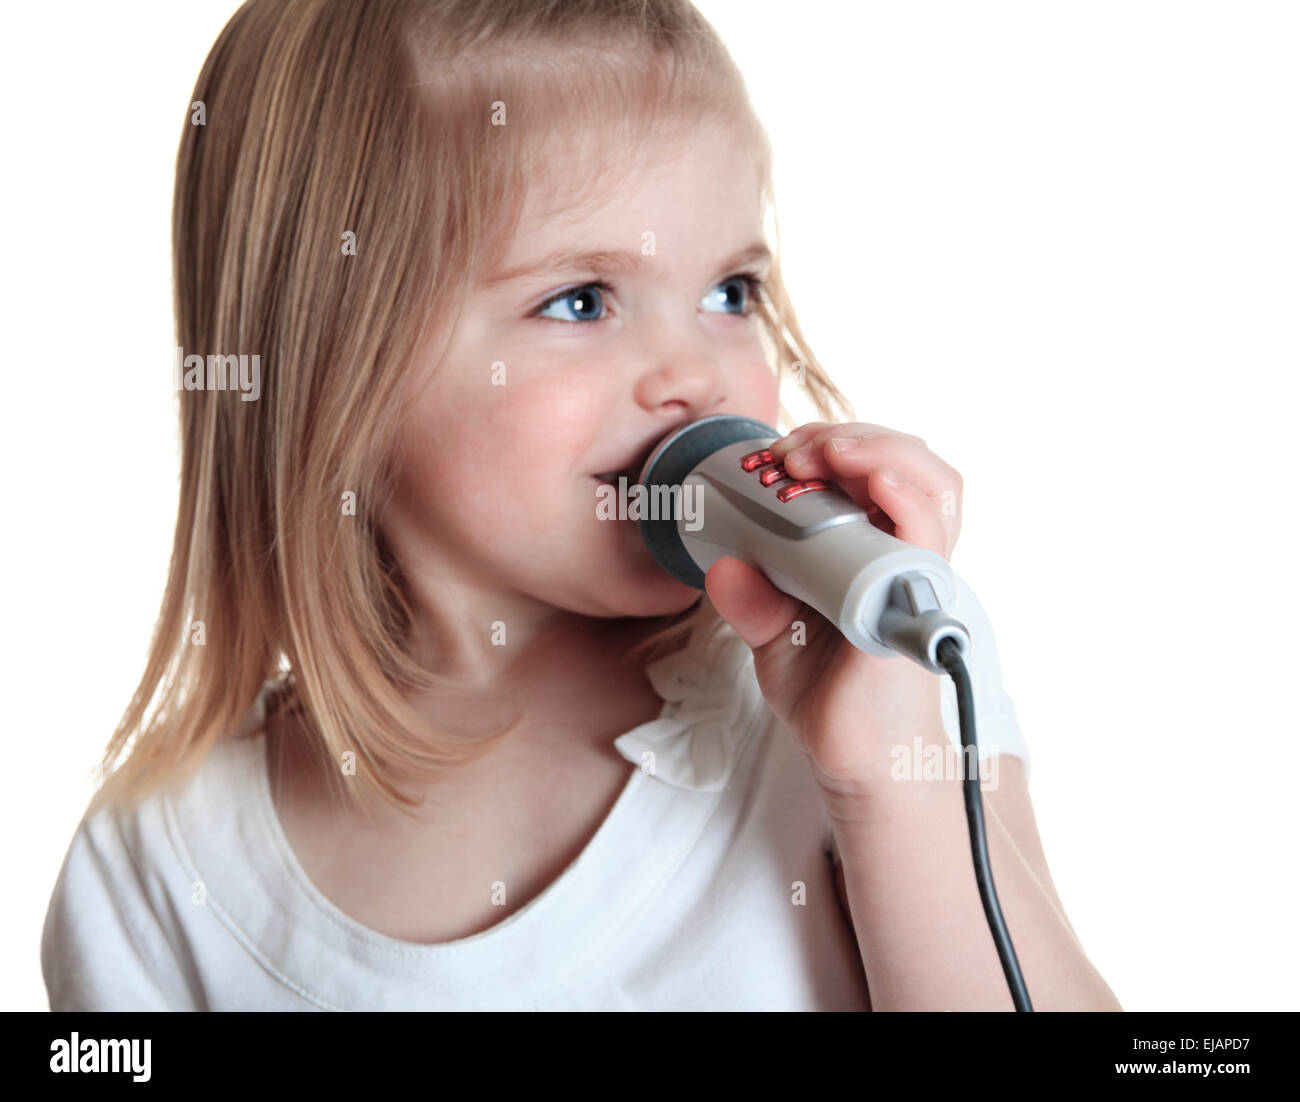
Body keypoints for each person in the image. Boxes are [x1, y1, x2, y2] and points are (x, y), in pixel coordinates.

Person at [41, 0, 1120, 1011]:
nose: (692, 372)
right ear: (333, 371)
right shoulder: (156, 867)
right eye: (581, 300)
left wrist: (895, 785)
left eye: (729, 292)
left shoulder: (877, 672)